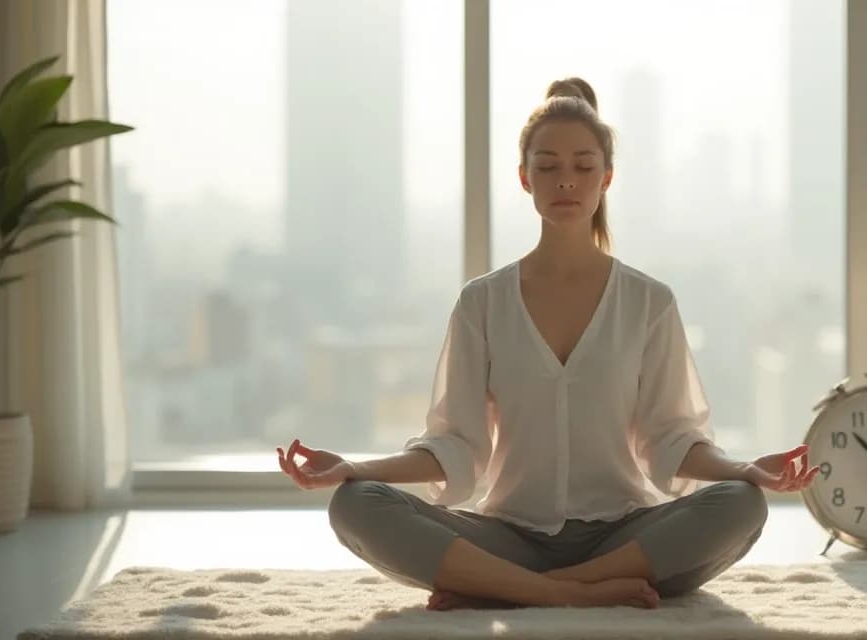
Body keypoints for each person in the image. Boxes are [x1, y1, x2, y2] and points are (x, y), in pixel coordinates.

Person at [276, 77, 819, 611]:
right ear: (524, 177)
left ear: (606, 178)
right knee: (356, 505)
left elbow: (671, 439)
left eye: (583, 167)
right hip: (509, 536)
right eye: (548, 167)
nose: (566, 182)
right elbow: (455, 445)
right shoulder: (482, 302)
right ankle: (566, 592)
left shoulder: (649, 302)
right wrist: (353, 469)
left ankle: (507, 588)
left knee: (741, 504)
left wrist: (745, 470)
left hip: (623, 538)